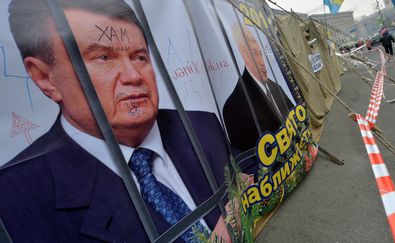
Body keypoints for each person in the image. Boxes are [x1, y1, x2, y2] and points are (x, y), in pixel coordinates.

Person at [0, 0, 231, 242]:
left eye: (139, 57)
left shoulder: (202, 125)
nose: (134, 76)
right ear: (45, 77)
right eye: (103, 57)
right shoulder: (14, 203)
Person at [222, 24, 295, 172]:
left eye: (260, 54)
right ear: (243, 54)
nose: (262, 62)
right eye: (255, 53)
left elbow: (295, 120)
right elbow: (252, 162)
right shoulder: (233, 106)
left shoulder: (276, 88)